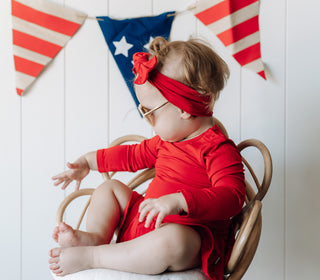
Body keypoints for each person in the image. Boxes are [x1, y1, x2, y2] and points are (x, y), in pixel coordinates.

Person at [49, 37, 246, 280]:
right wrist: (87, 162)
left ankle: (94, 257)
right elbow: (131, 155)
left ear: (184, 109)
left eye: (149, 113)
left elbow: (233, 197)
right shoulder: (167, 141)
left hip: (189, 236)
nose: (147, 120)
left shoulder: (217, 149)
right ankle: (97, 238)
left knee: (174, 239)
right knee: (110, 188)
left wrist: (181, 201)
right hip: (145, 221)